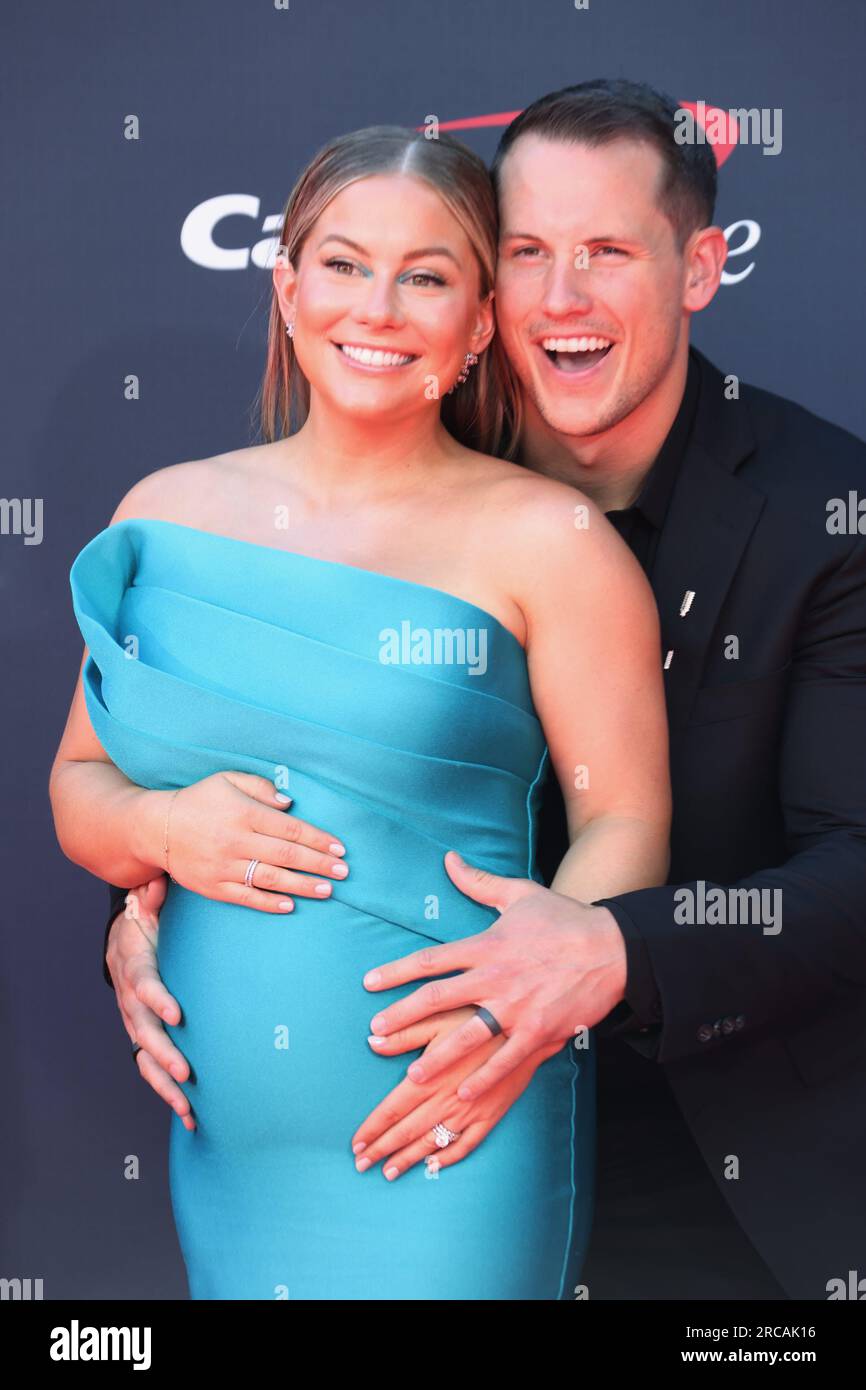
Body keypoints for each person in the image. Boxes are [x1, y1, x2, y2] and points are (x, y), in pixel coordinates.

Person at [103, 79, 866, 1302]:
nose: (559, 298)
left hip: (723, 1158)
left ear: (700, 267)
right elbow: (242, 755)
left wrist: (597, 955)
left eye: (605, 252)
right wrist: (149, 910)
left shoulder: (829, 516)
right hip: (373, 1120)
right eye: (525, 255)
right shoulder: (397, 449)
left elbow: (855, 868)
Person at [50, 124, 671, 1300]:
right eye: (341, 264)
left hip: (452, 1115)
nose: (376, 307)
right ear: (286, 288)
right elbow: (79, 792)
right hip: (224, 1138)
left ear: (479, 322)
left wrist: (516, 1009)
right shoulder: (166, 517)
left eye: (425, 275)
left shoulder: (552, 541)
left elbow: (625, 822)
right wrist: (163, 832)